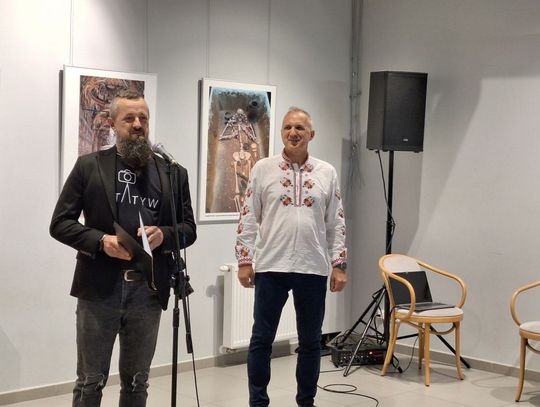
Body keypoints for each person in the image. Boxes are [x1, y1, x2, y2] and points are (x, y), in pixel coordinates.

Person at [50, 90, 196, 407]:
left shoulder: (173, 173)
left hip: (148, 291)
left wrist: (164, 235)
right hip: (99, 289)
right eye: (129, 118)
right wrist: (101, 242)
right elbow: (60, 223)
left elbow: (188, 229)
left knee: (137, 382)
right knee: (90, 382)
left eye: (143, 117)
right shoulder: (89, 166)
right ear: (112, 123)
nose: (137, 124)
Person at [235, 107, 347, 407]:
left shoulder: (327, 172)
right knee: (262, 339)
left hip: (313, 267)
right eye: (287, 127)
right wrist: (245, 260)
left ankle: (306, 401)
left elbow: (335, 222)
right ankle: (258, 402)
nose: (293, 133)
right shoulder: (263, 169)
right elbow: (248, 217)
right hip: (271, 266)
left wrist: (339, 264)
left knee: (310, 342)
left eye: (299, 128)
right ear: (281, 132)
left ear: (311, 134)